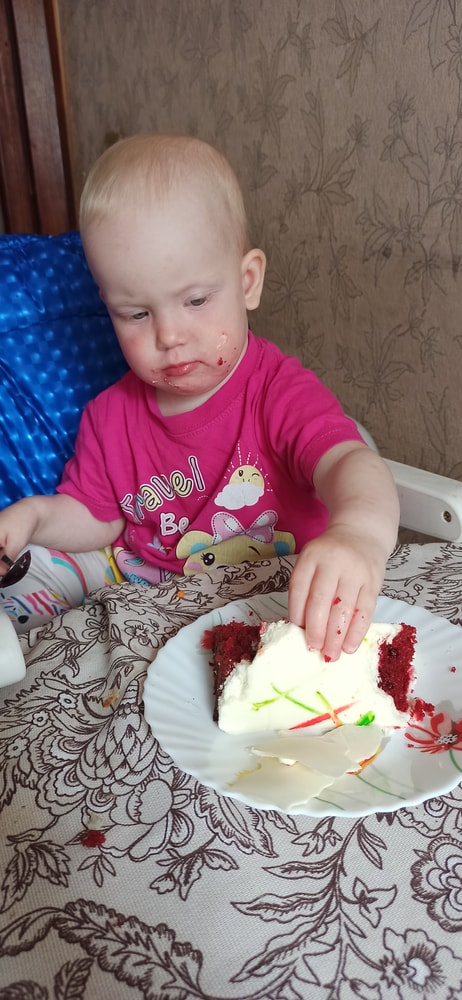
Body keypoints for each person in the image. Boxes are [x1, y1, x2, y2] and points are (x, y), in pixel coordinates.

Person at [0, 133, 399, 661]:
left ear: (248, 281)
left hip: (273, 597)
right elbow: (97, 517)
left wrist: (358, 533)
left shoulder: (275, 391)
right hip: (152, 598)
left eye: (195, 301)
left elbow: (349, 461)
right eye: (136, 314)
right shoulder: (109, 416)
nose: (169, 336)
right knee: (34, 567)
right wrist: (35, 516)